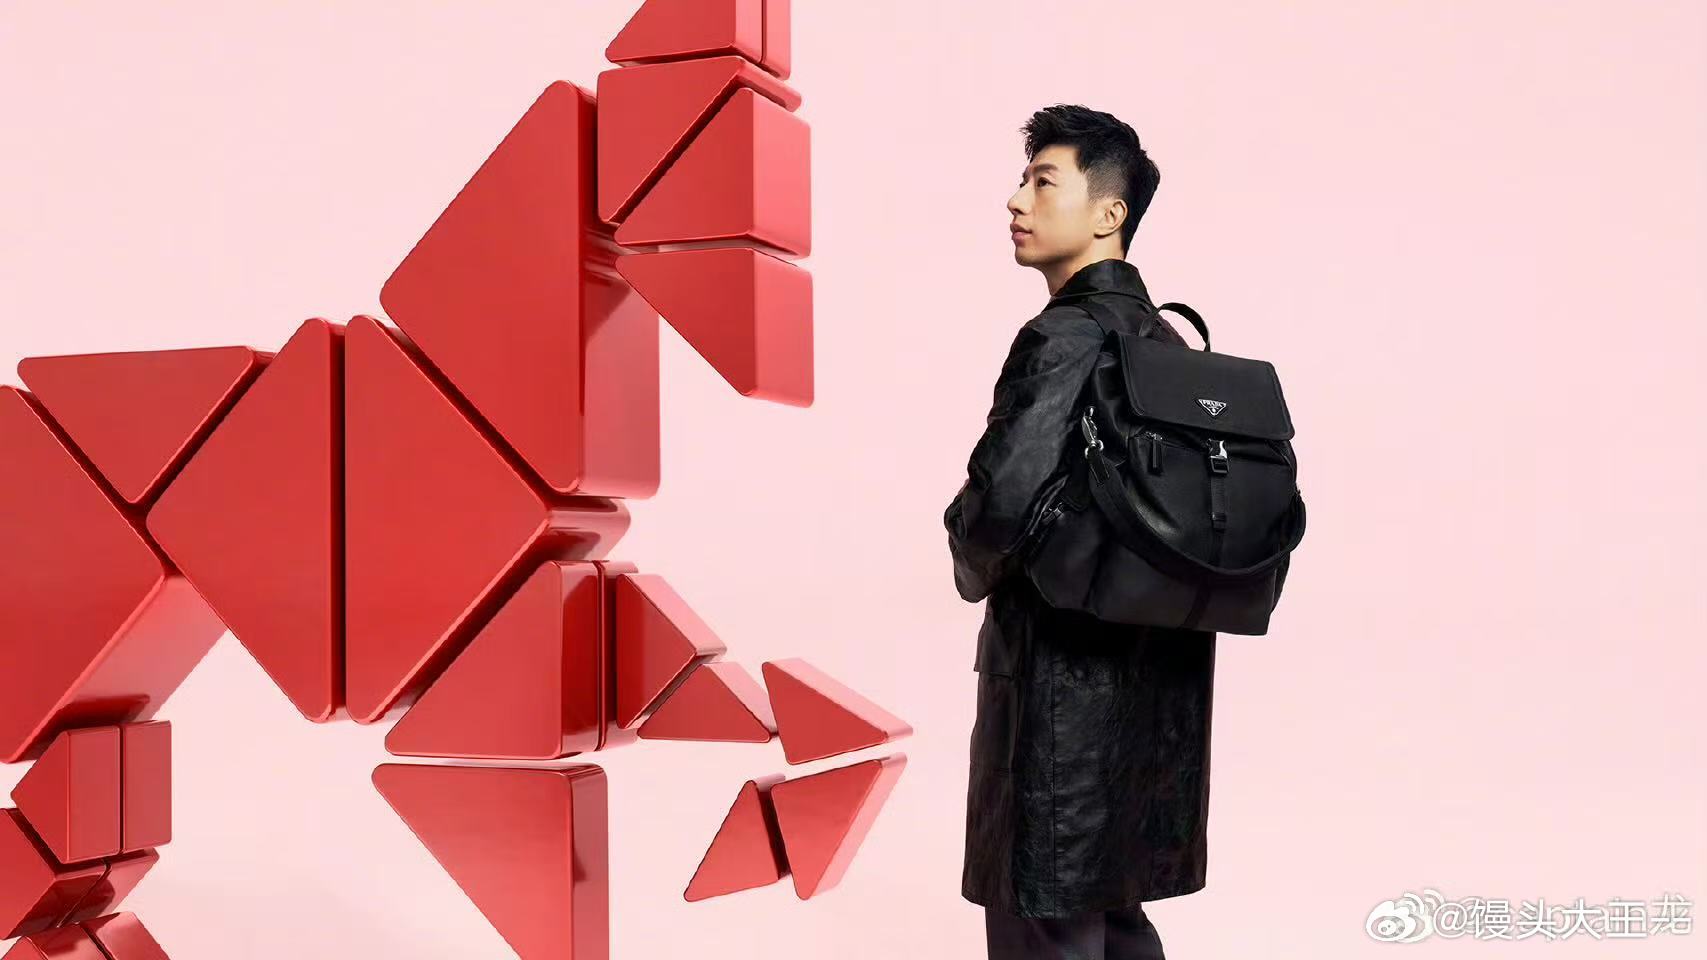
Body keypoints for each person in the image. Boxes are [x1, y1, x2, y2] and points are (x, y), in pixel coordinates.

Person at [944, 104, 1215, 960]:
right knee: (1117, 917)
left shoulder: (1061, 335)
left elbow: (999, 502)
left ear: (1109, 214)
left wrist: (965, 551)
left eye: (1042, 181)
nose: (1016, 200)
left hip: (1057, 692)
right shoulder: (1168, 342)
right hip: (1156, 690)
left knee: (1044, 915)